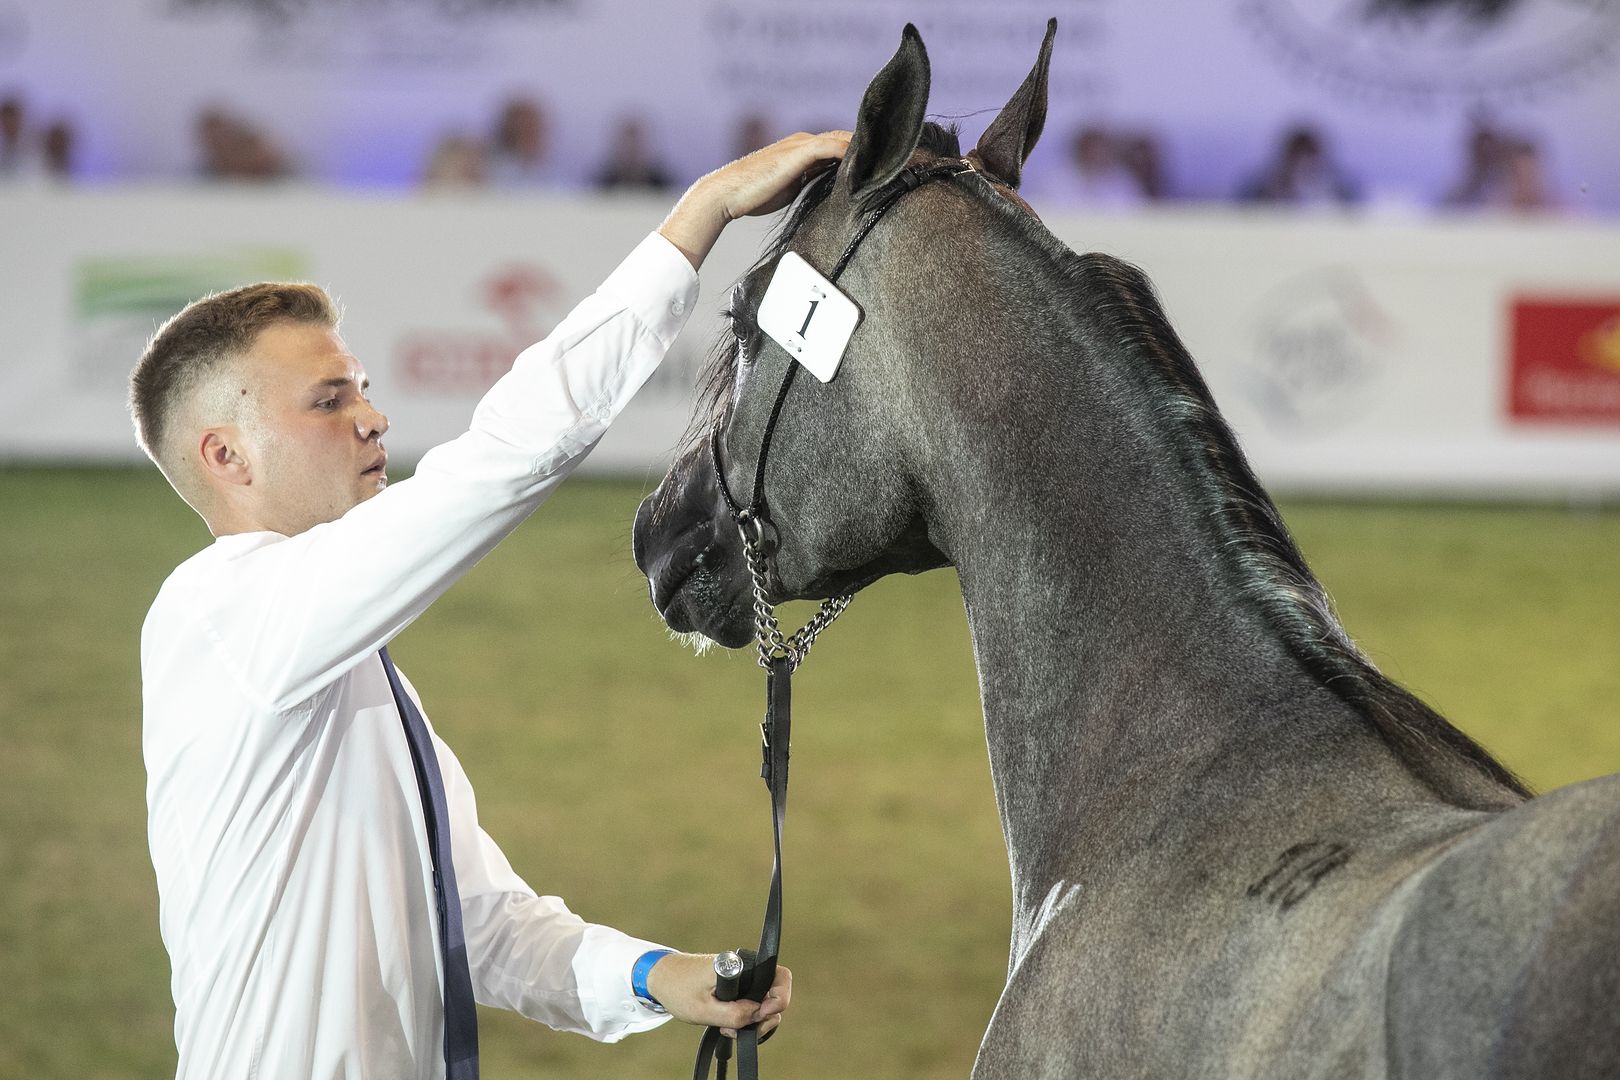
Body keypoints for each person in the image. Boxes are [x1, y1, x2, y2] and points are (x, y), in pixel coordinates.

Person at [128, 129, 849, 1079]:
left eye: (366, 391)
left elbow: (480, 924)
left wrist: (657, 976)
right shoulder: (216, 612)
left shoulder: (342, 665)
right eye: (329, 400)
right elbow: (497, 465)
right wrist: (699, 215)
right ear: (227, 456)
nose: (373, 417)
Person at [1239, 123, 1358, 207]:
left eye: (1309, 155)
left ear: (1320, 158)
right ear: (1287, 157)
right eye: (1298, 156)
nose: (1303, 163)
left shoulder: (1340, 192)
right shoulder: (1261, 190)